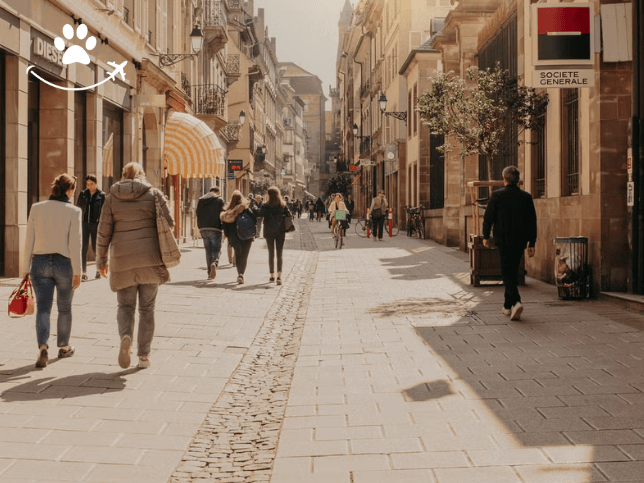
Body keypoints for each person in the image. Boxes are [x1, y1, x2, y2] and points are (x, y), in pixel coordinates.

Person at [97, 162, 174, 369]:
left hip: (122, 259)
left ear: (122, 175)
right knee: (147, 309)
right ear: (142, 174)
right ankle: (143, 356)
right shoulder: (154, 194)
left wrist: (101, 261)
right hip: (150, 258)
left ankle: (125, 337)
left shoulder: (111, 197)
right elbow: (170, 222)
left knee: (125, 306)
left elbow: (103, 231)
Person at [23, 174, 82, 368]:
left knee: (43, 308)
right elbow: (75, 244)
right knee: (64, 308)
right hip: (64, 263)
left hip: (39, 262)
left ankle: (42, 347)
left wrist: (25, 269)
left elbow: (28, 240)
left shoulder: (37, 208)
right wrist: (78, 271)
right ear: (70, 190)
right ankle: (64, 347)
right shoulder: (74, 211)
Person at [483, 165, 537, 321]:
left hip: (503, 240)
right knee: (512, 270)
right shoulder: (526, 197)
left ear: (504, 179)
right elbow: (532, 222)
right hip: (520, 241)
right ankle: (507, 306)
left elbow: (488, 218)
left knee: (507, 272)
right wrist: (531, 243)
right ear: (518, 180)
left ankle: (516, 301)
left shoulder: (497, 196)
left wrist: (486, 236)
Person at [221, 190, 258, 284]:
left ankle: (239, 274)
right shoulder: (246, 208)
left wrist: (227, 235)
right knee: (244, 256)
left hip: (234, 236)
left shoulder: (229, 211)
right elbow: (254, 220)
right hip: (247, 235)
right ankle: (241, 274)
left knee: (238, 255)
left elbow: (225, 225)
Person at [76, 174, 105, 282]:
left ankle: (98, 269)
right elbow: (78, 208)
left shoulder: (101, 195)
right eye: (88, 184)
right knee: (83, 248)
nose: (90, 186)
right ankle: (84, 272)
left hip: (96, 224)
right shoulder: (83, 194)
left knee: (95, 247)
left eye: (91, 184)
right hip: (84, 224)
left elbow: (104, 212)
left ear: (96, 183)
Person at [260, 186, 291, 285]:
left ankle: (272, 275)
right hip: (280, 231)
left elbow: (260, 214)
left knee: (271, 253)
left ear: (269, 195)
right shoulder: (283, 205)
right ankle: (279, 276)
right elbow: (289, 215)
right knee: (279, 254)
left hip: (269, 232)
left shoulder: (265, 205)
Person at [196, 186, 225, 280]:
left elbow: (198, 214)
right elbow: (223, 214)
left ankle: (209, 273)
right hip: (216, 228)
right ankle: (214, 263)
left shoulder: (201, 200)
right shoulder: (219, 200)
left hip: (204, 229)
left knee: (208, 251)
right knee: (216, 249)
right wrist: (223, 228)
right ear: (217, 192)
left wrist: (200, 227)